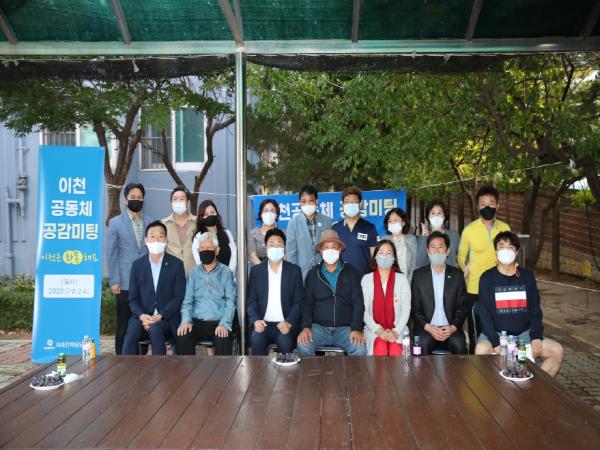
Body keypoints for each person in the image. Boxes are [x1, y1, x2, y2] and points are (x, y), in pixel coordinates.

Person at [476, 232, 563, 377]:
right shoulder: (487, 278)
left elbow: (535, 309)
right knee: (481, 350)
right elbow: (484, 313)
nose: (505, 250)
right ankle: (494, 387)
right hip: (498, 335)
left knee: (557, 351)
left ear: (516, 252)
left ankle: (536, 386)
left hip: (525, 335)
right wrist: (496, 343)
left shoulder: (527, 276)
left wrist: (535, 336)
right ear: (495, 251)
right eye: (501, 246)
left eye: (510, 247)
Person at [458, 184, 510, 353]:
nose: (487, 207)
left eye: (491, 203)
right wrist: (465, 267)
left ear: (498, 205)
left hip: (499, 287)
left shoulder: (505, 228)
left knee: (500, 331)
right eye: (483, 204)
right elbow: (460, 256)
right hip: (475, 288)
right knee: (476, 332)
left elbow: (510, 253)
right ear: (477, 207)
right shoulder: (469, 230)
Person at [296, 230, 367, 356]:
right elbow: (307, 304)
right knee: (303, 346)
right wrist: (306, 327)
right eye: (326, 247)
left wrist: (356, 328)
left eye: (333, 246)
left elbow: (358, 302)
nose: (330, 250)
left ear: (339, 249)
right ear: (321, 251)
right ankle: (313, 370)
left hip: (346, 328)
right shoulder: (313, 274)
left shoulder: (351, 272)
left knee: (360, 349)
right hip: (318, 328)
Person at [122, 221, 186, 355]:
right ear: (146, 241)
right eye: (152, 236)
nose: (156, 240)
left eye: (160, 236)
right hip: (142, 316)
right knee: (131, 333)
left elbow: (178, 297)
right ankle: (126, 366)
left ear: (166, 240)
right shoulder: (137, 265)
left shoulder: (177, 265)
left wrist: (160, 316)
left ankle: (159, 367)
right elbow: (133, 299)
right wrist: (142, 316)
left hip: (166, 318)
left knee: (156, 329)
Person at [107, 182, 152, 355]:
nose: (136, 200)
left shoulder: (150, 222)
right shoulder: (115, 223)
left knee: (144, 323)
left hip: (145, 282)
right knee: (124, 324)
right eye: (133, 197)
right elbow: (112, 253)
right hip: (124, 283)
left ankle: (141, 357)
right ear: (125, 199)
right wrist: (114, 280)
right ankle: (120, 358)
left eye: (140, 197)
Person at [176, 232, 237, 356]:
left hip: (218, 322)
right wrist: (186, 321)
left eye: (209, 248)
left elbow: (231, 302)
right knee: (183, 335)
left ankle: (223, 370)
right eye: (202, 248)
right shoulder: (193, 273)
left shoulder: (226, 272)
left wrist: (224, 323)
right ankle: (187, 370)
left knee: (223, 337)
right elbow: (187, 301)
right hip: (197, 323)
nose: (205, 251)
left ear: (217, 250)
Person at [246, 228, 304, 355]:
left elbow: (299, 301)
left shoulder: (294, 271)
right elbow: (251, 301)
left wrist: (289, 322)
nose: (275, 248)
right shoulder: (256, 271)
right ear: (265, 247)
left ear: (284, 247)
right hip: (263, 324)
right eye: (271, 244)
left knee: (286, 342)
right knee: (256, 340)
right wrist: (256, 321)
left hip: (285, 324)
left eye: (279, 244)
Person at [411, 231, 468, 355]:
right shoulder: (418, 275)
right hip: (426, 328)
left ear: (447, 251)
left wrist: (453, 327)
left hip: (450, 328)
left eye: (440, 247)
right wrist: (428, 327)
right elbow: (415, 308)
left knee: (459, 345)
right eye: (433, 247)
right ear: (428, 251)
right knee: (422, 344)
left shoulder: (457, 275)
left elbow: (462, 307)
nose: (436, 251)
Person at [361, 240, 411, 356]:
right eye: (381, 253)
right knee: (380, 347)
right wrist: (379, 330)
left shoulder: (402, 279)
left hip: (398, 328)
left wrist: (396, 331)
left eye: (388, 253)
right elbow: (363, 310)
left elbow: (406, 309)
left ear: (394, 258)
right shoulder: (366, 279)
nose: (384, 256)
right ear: (375, 257)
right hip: (374, 329)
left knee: (396, 350)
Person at [286, 185, 332, 280]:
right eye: (304, 201)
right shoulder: (293, 223)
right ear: (300, 203)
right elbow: (291, 254)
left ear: (316, 202)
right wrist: (294, 276)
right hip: (302, 273)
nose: (307, 204)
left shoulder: (326, 221)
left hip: (324, 271)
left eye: (311, 200)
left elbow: (330, 247)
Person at [332, 186, 378, 278]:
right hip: (341, 279)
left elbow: (374, 257)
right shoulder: (335, 229)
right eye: (347, 202)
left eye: (354, 202)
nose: (350, 204)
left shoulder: (369, 228)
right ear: (342, 205)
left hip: (364, 279)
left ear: (360, 204)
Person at [192, 200, 237, 274]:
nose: (210, 216)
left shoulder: (227, 233)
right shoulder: (198, 237)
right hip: (207, 278)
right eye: (206, 214)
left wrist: (229, 274)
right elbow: (198, 260)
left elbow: (234, 254)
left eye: (212, 212)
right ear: (201, 218)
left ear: (217, 213)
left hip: (227, 276)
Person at [162, 186, 197, 276]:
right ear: (171, 202)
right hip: (171, 275)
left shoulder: (197, 222)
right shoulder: (163, 224)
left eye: (181, 199)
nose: (178, 202)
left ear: (188, 203)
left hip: (194, 274)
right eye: (175, 199)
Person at [416, 200, 460, 268]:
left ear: (444, 216)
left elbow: (464, 255)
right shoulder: (424, 237)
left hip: (450, 273)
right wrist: (424, 237)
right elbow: (419, 262)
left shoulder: (454, 235)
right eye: (433, 213)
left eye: (439, 213)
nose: (436, 216)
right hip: (430, 274)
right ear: (428, 217)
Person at [382, 207, 417, 282]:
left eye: (395, 220)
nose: (392, 223)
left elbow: (414, 263)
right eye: (390, 221)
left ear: (403, 223)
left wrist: (409, 282)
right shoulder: (384, 239)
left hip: (408, 281)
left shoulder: (411, 239)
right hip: (389, 282)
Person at [248, 199, 280, 266]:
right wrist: (264, 270)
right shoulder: (253, 233)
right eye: (266, 211)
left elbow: (286, 255)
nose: (269, 213)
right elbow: (253, 256)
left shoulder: (284, 233)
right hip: (259, 269)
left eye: (272, 211)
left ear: (276, 214)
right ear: (261, 214)